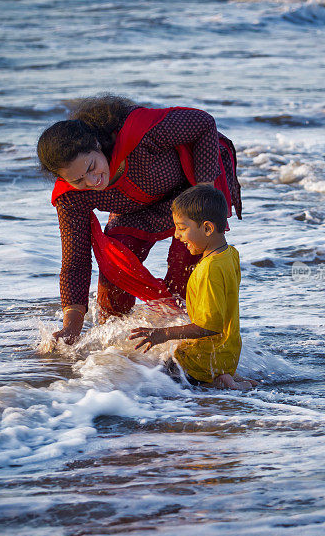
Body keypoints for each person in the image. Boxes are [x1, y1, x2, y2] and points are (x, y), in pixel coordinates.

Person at [37, 95, 242, 344]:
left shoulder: (139, 132)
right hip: (135, 208)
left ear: (96, 144)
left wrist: (203, 193)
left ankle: (192, 349)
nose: (92, 182)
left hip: (189, 191)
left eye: (91, 167)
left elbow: (203, 123)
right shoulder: (71, 197)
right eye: (78, 180)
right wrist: (71, 327)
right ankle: (120, 353)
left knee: (184, 266)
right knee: (116, 268)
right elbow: (75, 260)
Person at [129, 186, 253, 391]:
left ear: (207, 229)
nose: (176, 235)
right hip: (225, 353)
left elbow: (209, 326)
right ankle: (225, 377)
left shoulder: (209, 269)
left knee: (146, 383)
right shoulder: (230, 254)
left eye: (182, 228)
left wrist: (164, 334)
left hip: (201, 361)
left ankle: (224, 381)